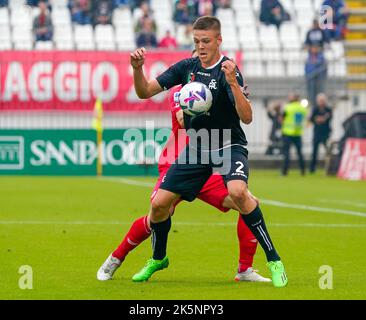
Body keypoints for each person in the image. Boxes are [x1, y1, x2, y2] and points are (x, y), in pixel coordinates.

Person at [128, 16, 288, 287]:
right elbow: (144, 92)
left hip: (228, 143)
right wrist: (137, 69)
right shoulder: (186, 67)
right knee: (158, 205)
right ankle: (158, 258)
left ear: (218, 41)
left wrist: (234, 84)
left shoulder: (228, 70)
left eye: (206, 41)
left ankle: (273, 258)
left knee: (238, 192)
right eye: (197, 42)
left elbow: (247, 118)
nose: (201, 47)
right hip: (199, 146)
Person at [97, 75, 271, 283]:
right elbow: (183, 119)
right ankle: (116, 257)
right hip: (177, 161)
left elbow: (235, 118)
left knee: (247, 202)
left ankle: (244, 270)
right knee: (157, 212)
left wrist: (235, 99)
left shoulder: (220, 87)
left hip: (207, 163)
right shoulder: (180, 90)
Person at [281, 93, 308, 176]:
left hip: (287, 133)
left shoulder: (288, 107)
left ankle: (285, 172)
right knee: (300, 153)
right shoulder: (302, 108)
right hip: (298, 133)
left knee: (286, 154)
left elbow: (282, 118)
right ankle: (303, 170)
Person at [309, 93, 333, 173]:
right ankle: (312, 168)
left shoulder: (328, 109)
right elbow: (311, 119)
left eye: (322, 100)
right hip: (317, 133)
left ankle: (329, 167)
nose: (321, 102)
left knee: (328, 151)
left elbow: (329, 118)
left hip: (325, 133)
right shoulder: (315, 109)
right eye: (320, 101)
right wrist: (317, 119)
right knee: (314, 151)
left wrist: (321, 119)